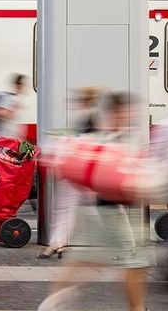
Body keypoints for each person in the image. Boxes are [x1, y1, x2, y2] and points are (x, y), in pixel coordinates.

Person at [37, 93, 152, 311]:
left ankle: (50, 303)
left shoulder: (103, 135)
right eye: (126, 112)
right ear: (116, 112)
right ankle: (137, 308)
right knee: (135, 261)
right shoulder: (109, 139)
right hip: (110, 210)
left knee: (84, 259)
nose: (130, 116)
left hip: (94, 208)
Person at [37, 87, 101, 259]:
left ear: (85, 101)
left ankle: (120, 243)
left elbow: (91, 143)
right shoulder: (88, 117)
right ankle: (56, 244)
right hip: (78, 174)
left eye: (77, 101)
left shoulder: (92, 118)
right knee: (69, 209)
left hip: (83, 175)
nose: (73, 104)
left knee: (89, 210)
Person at [0, 74, 26, 140]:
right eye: (23, 84)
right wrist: (12, 109)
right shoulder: (7, 97)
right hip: (3, 138)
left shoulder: (18, 99)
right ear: (18, 85)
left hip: (13, 138)